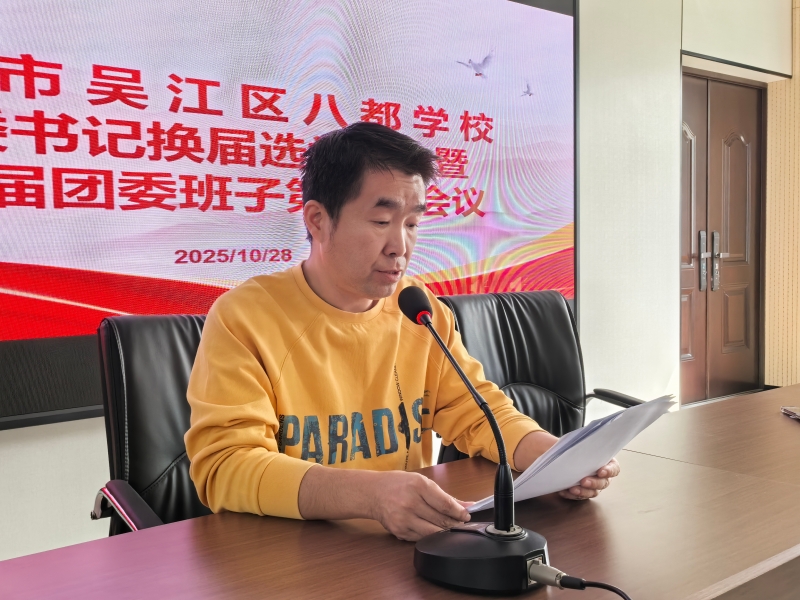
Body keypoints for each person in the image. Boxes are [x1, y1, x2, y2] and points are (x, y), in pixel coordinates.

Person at [184, 122, 619, 542]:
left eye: (411, 224)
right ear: (317, 220)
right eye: (381, 222)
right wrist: (369, 496)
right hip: (287, 554)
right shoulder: (246, 318)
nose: (401, 247)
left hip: (403, 546)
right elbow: (226, 466)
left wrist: (554, 458)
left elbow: (477, 412)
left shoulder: (418, 309)